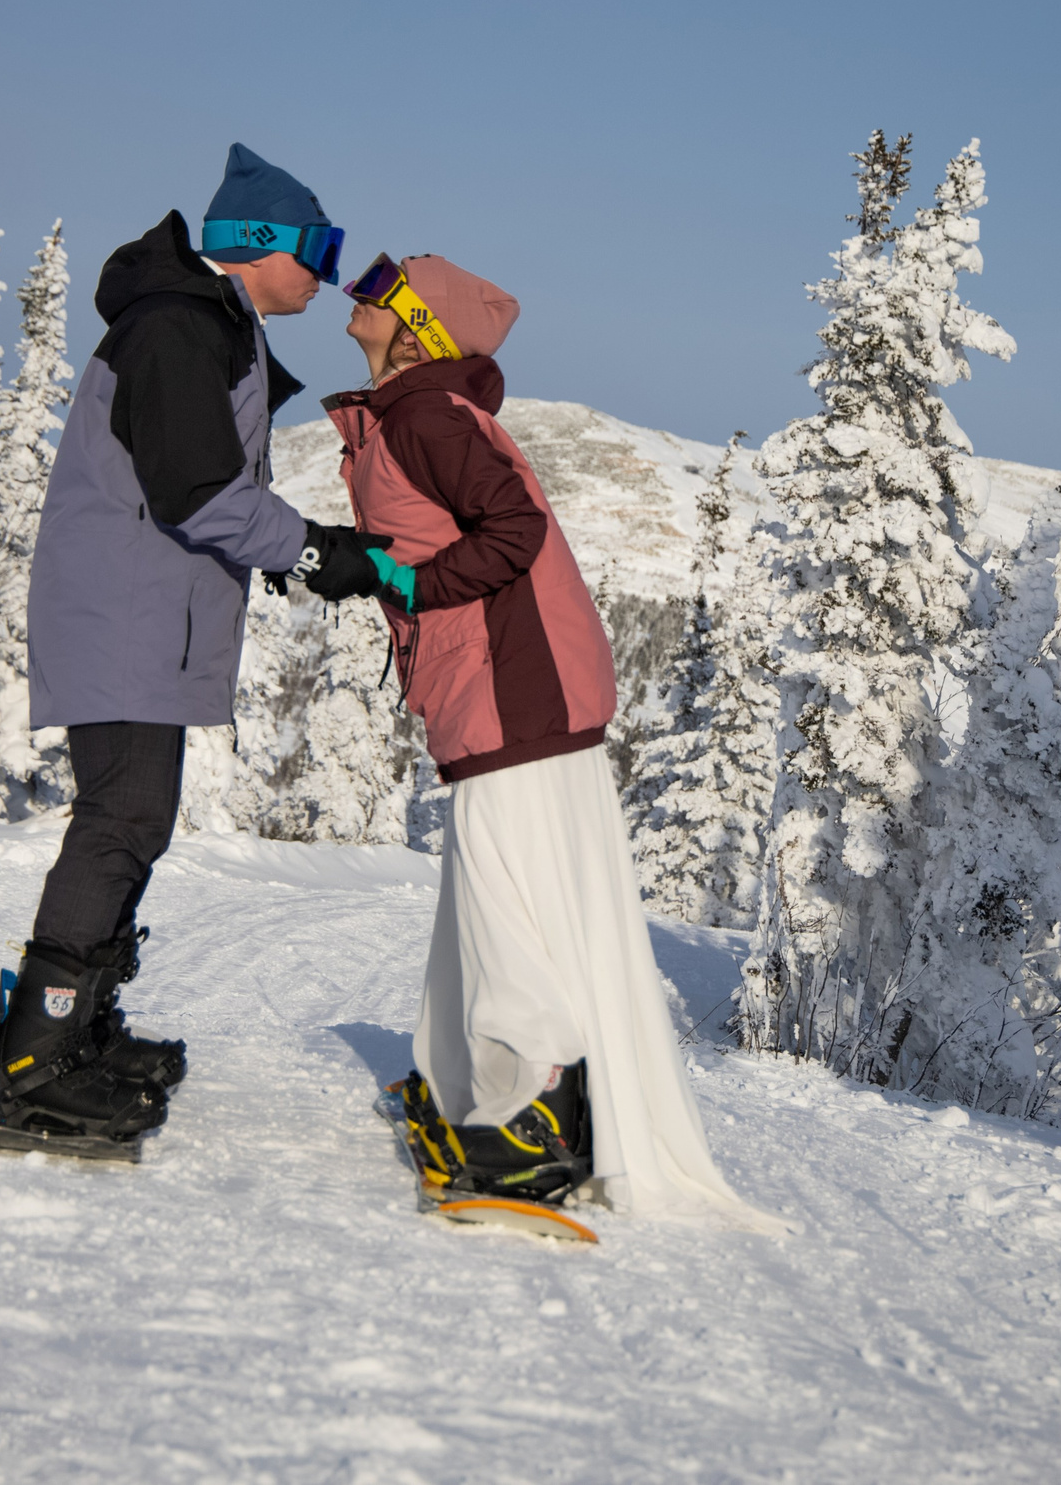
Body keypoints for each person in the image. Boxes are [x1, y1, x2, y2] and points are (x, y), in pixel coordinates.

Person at [326, 252, 780, 1230]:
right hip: (506, 689)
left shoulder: (425, 415)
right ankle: (465, 1094)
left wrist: (403, 585)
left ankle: (531, 1123)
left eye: (381, 288)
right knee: (480, 896)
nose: (358, 295)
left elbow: (514, 531)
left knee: (505, 902)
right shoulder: (420, 412)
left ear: (415, 327)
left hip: (511, 690)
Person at [0, 145, 395, 1152]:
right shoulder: (177, 327)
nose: (329, 271)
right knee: (121, 819)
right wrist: (313, 549)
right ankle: (37, 1054)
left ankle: (77, 1030)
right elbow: (196, 489)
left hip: (139, 613)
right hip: (125, 612)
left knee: (135, 818)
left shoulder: (199, 325)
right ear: (260, 245)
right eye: (320, 250)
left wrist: (301, 551)